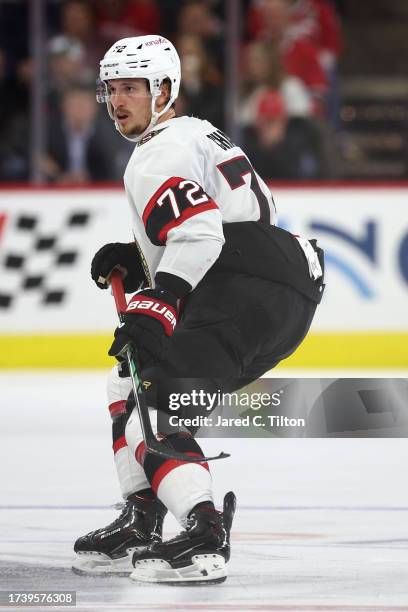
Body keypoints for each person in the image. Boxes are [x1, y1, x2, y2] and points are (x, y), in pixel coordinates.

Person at [72, 35, 324, 584]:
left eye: (132, 89)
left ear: (164, 89)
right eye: (111, 89)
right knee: (129, 381)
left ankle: (205, 533)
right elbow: (224, 223)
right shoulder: (198, 133)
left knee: (154, 400)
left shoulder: (156, 152)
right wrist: (144, 260)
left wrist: (160, 298)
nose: (118, 101)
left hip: (248, 284)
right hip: (279, 281)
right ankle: (144, 513)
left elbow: (201, 231)